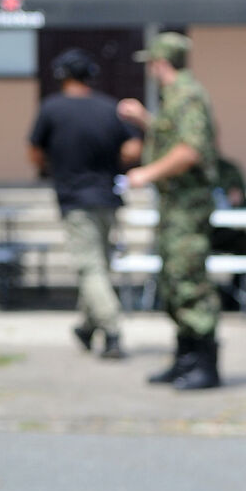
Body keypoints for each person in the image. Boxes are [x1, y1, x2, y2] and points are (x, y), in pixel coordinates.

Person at [118, 32, 222, 390]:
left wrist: (146, 173)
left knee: (188, 279)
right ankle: (186, 358)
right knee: (173, 280)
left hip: (187, 206)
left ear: (160, 63)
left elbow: (190, 150)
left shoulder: (188, 94)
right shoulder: (176, 95)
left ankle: (205, 364)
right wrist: (145, 120)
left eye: (150, 62)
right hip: (175, 205)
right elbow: (173, 135)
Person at [28, 47, 142, 359]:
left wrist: (56, 164)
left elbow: (34, 152)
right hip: (107, 197)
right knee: (99, 266)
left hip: (75, 199)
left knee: (90, 268)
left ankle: (112, 330)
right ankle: (88, 327)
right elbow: (133, 148)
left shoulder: (51, 109)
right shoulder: (108, 107)